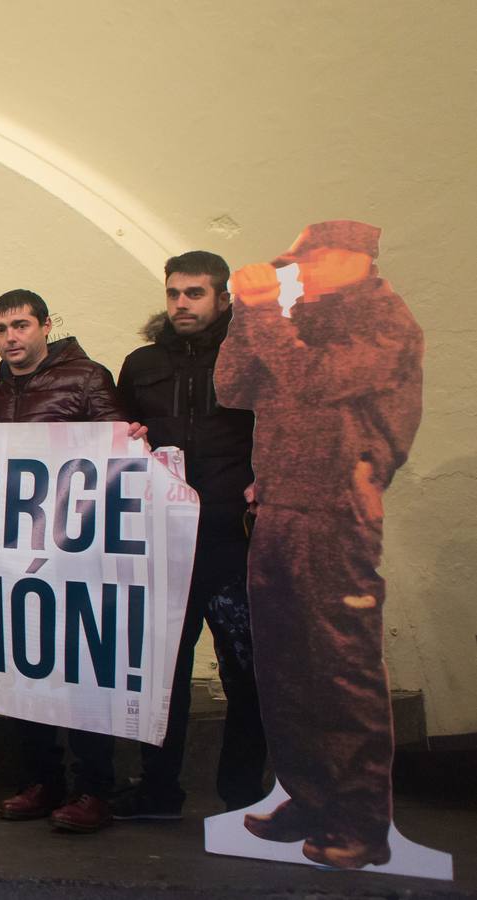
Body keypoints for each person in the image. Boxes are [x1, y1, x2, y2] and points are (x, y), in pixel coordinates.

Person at [217, 221, 422, 869]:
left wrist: (259, 313)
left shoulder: (384, 324)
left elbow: (311, 379)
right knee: (281, 665)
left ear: (347, 258)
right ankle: (306, 795)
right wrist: (243, 320)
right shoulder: (295, 316)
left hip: (337, 513)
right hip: (277, 507)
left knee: (341, 667)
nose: (295, 272)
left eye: (304, 260)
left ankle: (359, 818)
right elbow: (231, 387)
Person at [112, 251, 267, 820]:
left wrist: (268, 481)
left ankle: (243, 798)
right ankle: (157, 792)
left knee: (246, 672)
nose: (181, 303)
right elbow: (119, 434)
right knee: (160, 675)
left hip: (234, 542)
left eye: (195, 293)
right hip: (163, 545)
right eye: (174, 292)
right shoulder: (142, 362)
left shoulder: (253, 359)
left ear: (224, 299)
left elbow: (282, 431)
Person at [0, 289, 143, 834]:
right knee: (26, 669)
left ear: (46, 325)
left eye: (21, 325)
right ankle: (42, 780)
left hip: (79, 553)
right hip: (19, 552)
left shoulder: (88, 377)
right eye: (1, 329)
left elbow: (120, 455)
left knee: (82, 673)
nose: (11, 338)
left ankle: (95, 788)